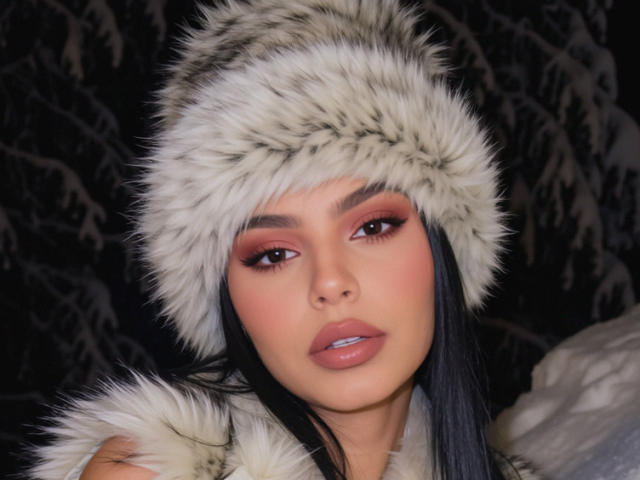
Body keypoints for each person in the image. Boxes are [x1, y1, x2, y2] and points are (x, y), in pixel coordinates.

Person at [29, 1, 541, 479]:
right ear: (229, 301)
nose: (330, 283)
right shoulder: (152, 469)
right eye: (274, 254)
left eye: (372, 227)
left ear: (442, 249)